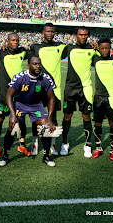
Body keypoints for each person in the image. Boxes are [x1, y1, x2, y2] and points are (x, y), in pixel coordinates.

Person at [0, 56, 59, 167]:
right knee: (13, 127)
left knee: (46, 127)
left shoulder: (45, 78)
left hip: (36, 105)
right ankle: (5, 155)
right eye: (35, 64)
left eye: (39, 64)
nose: (37, 66)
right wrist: (12, 114)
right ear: (29, 65)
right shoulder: (20, 77)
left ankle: (46, 156)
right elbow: (9, 95)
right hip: (19, 104)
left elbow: (51, 98)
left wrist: (49, 119)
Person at [28, 23, 67, 156]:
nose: (50, 33)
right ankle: (35, 143)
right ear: (43, 32)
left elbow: (76, 49)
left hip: (54, 90)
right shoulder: (35, 47)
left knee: (53, 117)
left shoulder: (60, 47)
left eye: (52, 31)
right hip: (37, 89)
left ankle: (52, 144)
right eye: (48, 31)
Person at [0, 33, 30, 157]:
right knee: (0, 119)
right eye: (13, 40)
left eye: (17, 40)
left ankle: (22, 145)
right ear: (7, 41)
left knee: (20, 120)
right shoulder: (1, 51)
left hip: (19, 95)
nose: (15, 42)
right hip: (5, 95)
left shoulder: (22, 52)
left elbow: (32, 51)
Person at [61, 26, 96, 157]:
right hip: (69, 88)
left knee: (86, 116)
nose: (83, 37)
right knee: (67, 116)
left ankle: (88, 145)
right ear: (76, 35)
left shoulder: (92, 49)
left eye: (85, 35)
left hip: (85, 89)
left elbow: (106, 55)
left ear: (88, 36)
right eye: (80, 34)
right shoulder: (69, 48)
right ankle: (65, 143)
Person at [91, 38, 113, 161]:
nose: (105, 50)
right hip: (98, 98)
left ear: (110, 48)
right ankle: (98, 148)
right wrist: (91, 44)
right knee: (98, 124)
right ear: (99, 48)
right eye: (102, 48)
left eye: (107, 48)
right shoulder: (95, 59)